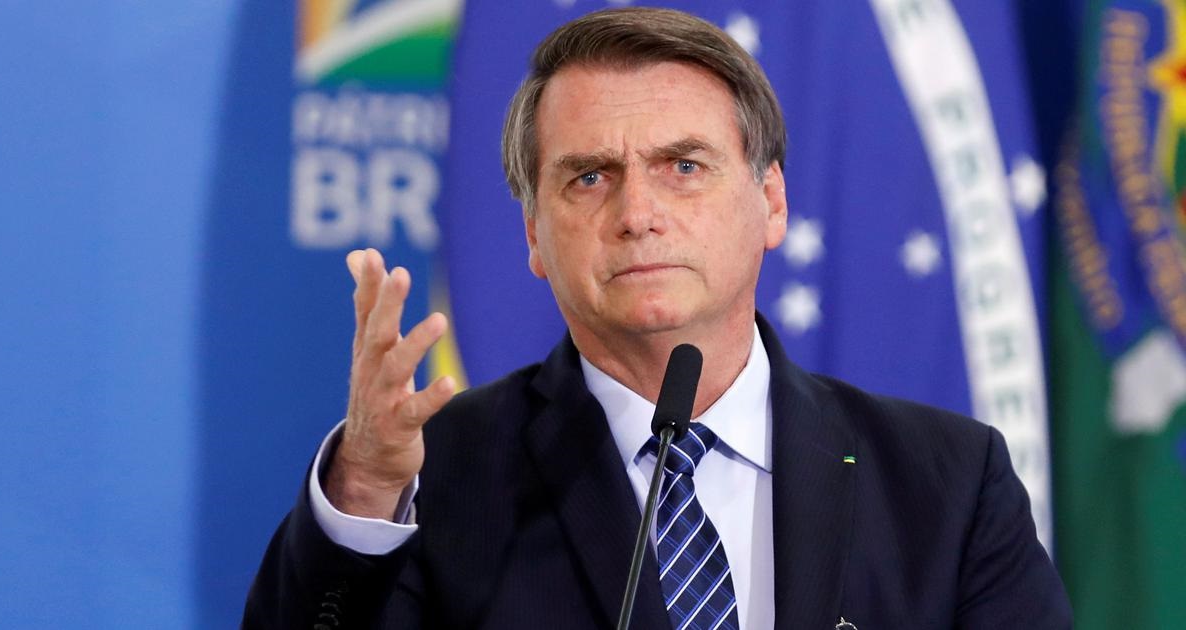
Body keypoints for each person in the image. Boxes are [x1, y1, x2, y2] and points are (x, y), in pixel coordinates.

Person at [244, 7, 1072, 629]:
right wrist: (366, 487)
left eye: (683, 166)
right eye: (590, 177)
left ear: (771, 201)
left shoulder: (946, 484)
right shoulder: (434, 480)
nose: (637, 213)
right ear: (533, 235)